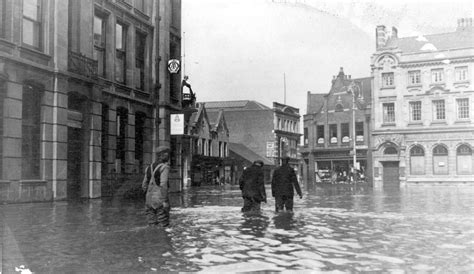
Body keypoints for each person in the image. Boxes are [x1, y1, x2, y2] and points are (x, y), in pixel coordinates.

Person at [142, 146, 171, 227]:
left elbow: (144, 185)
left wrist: (147, 197)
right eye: (167, 154)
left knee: (151, 224)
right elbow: (163, 185)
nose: (168, 156)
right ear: (161, 155)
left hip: (149, 200)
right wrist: (165, 201)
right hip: (160, 200)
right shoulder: (164, 167)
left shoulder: (148, 167)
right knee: (163, 224)